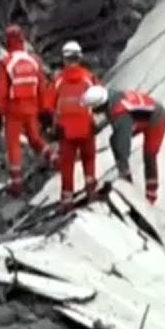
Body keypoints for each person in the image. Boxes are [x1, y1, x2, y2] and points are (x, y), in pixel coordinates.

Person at [0, 25, 54, 198]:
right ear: (22, 40)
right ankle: (53, 157)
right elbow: (42, 88)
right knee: (35, 138)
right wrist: (45, 110)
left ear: (8, 42)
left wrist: (0, 114)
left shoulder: (6, 63)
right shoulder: (34, 61)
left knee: (14, 145)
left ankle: (16, 184)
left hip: (14, 110)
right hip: (32, 108)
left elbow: (1, 93)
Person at [83, 85, 165, 205]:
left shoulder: (120, 113)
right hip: (141, 116)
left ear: (100, 105)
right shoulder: (112, 96)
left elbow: (123, 145)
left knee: (149, 155)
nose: (93, 111)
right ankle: (126, 176)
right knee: (114, 139)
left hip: (156, 119)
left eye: (93, 108)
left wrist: (123, 166)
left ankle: (150, 195)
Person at [46, 40, 101, 206]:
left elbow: (48, 105)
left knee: (67, 164)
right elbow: (100, 99)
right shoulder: (89, 77)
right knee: (89, 158)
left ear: (64, 59)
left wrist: (53, 126)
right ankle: (91, 190)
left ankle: (67, 199)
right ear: (80, 57)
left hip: (66, 131)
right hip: (86, 127)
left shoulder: (58, 80)